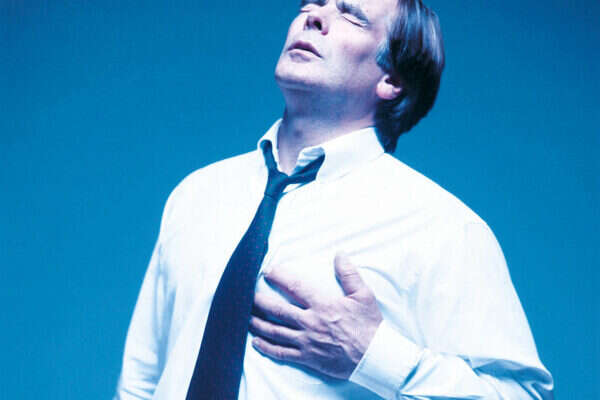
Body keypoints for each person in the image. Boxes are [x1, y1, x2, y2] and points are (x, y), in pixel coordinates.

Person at [114, 0, 554, 398]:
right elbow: (140, 381)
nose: (315, 16)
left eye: (351, 16)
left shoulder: (444, 229)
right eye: (312, 2)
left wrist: (373, 355)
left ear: (392, 79)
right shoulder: (197, 193)